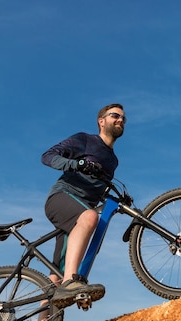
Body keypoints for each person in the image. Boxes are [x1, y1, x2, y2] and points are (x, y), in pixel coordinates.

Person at [41, 103, 126, 309]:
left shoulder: (113, 161)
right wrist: (77, 164)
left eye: (123, 118)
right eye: (115, 115)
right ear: (101, 121)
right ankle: (73, 282)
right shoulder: (85, 140)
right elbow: (48, 157)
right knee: (90, 217)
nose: (120, 120)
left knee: (55, 279)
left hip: (80, 212)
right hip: (62, 197)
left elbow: (98, 184)